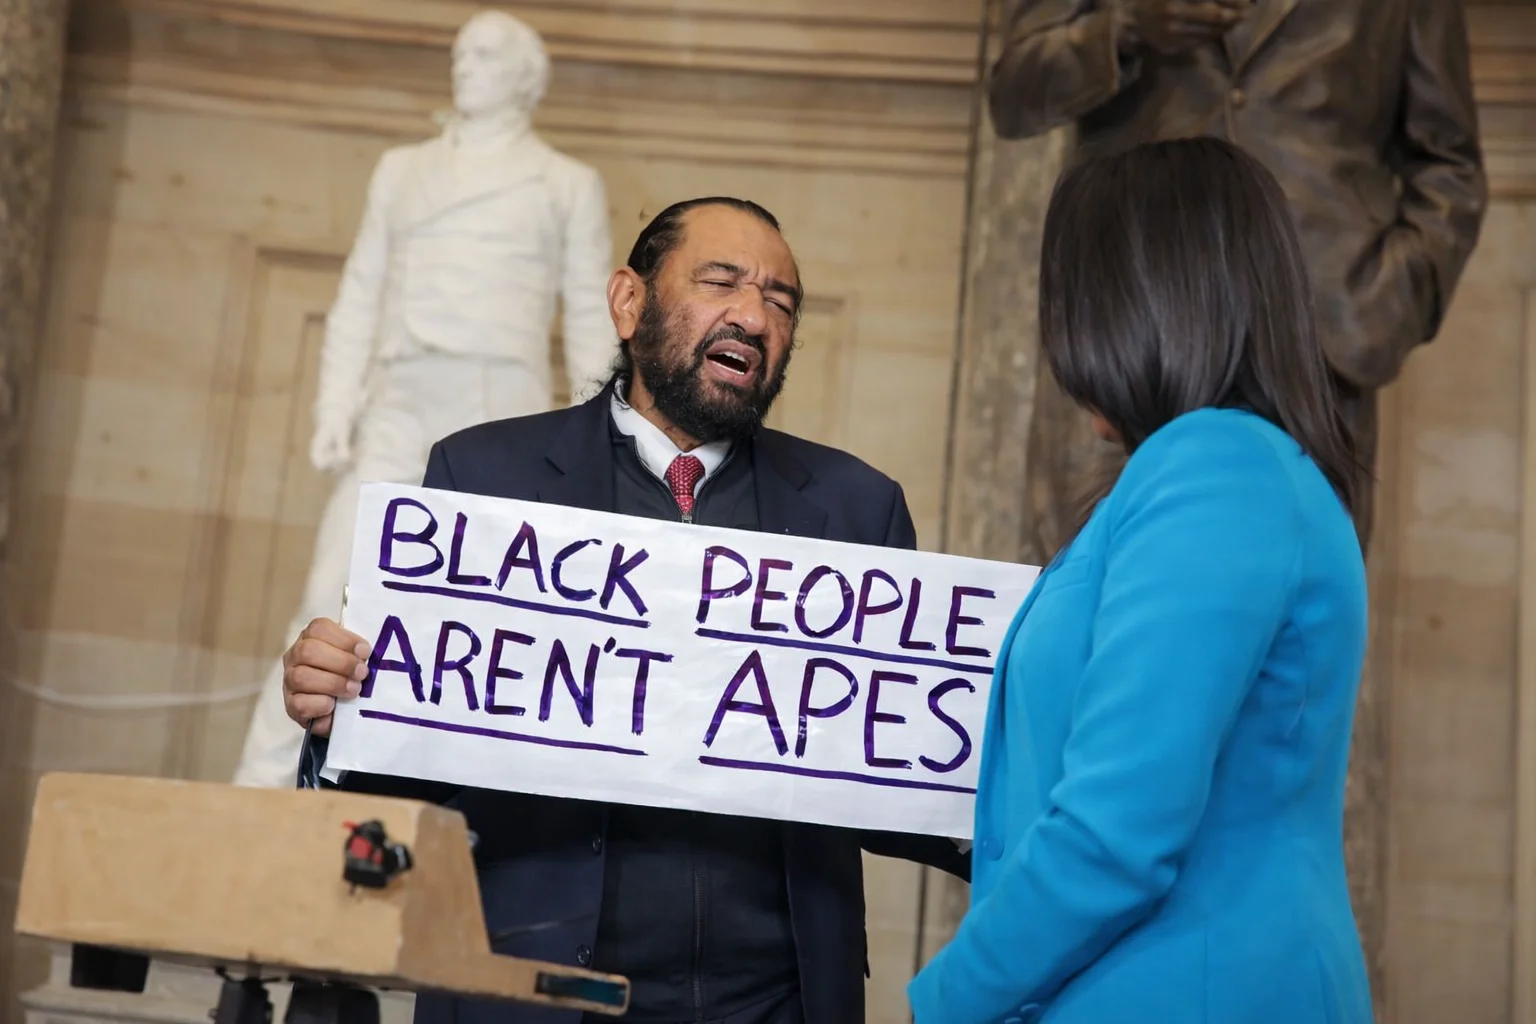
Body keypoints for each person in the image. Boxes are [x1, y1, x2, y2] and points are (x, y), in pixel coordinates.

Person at [279, 196, 970, 1024]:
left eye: (781, 302)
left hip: (774, 1004)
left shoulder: (858, 509)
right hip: (523, 991)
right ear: (627, 302)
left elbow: (902, 768)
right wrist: (337, 717)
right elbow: (413, 762)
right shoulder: (484, 476)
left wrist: (1004, 779)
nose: (753, 315)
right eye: (722, 283)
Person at [909, 138, 1372, 1023]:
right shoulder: (1233, 470)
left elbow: (1117, 832)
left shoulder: (1215, 464)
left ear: (1130, 302)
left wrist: (940, 1004)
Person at [233, 9, 616, 788]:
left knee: (493, 614)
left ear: (524, 76)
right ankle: (261, 800)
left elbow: (589, 316)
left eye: (482, 54)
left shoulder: (567, 184)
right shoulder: (401, 170)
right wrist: (334, 405)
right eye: (460, 52)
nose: (462, 64)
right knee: (326, 595)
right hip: (401, 400)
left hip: (498, 407)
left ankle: (469, 803)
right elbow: (360, 293)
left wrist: (599, 440)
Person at [987, 0, 1486, 550]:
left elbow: (1449, 165)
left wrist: (1386, 305)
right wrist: (1123, 28)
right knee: (1084, 572)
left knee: (1294, 597)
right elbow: (1014, 93)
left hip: (1318, 329)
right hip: (1132, 315)